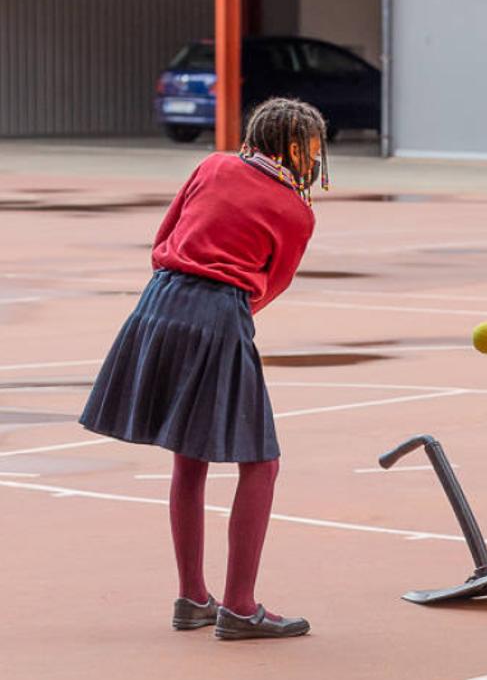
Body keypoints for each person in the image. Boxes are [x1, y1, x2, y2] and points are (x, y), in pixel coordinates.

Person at [79, 97, 329, 636]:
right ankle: (240, 608)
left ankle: (192, 599)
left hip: (156, 301)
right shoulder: (297, 210)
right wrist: (224, 312)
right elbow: (273, 281)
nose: (315, 159)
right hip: (219, 312)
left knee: (188, 458)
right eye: (312, 148)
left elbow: (164, 237)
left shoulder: (213, 164)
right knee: (260, 464)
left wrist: (180, 289)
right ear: (291, 147)